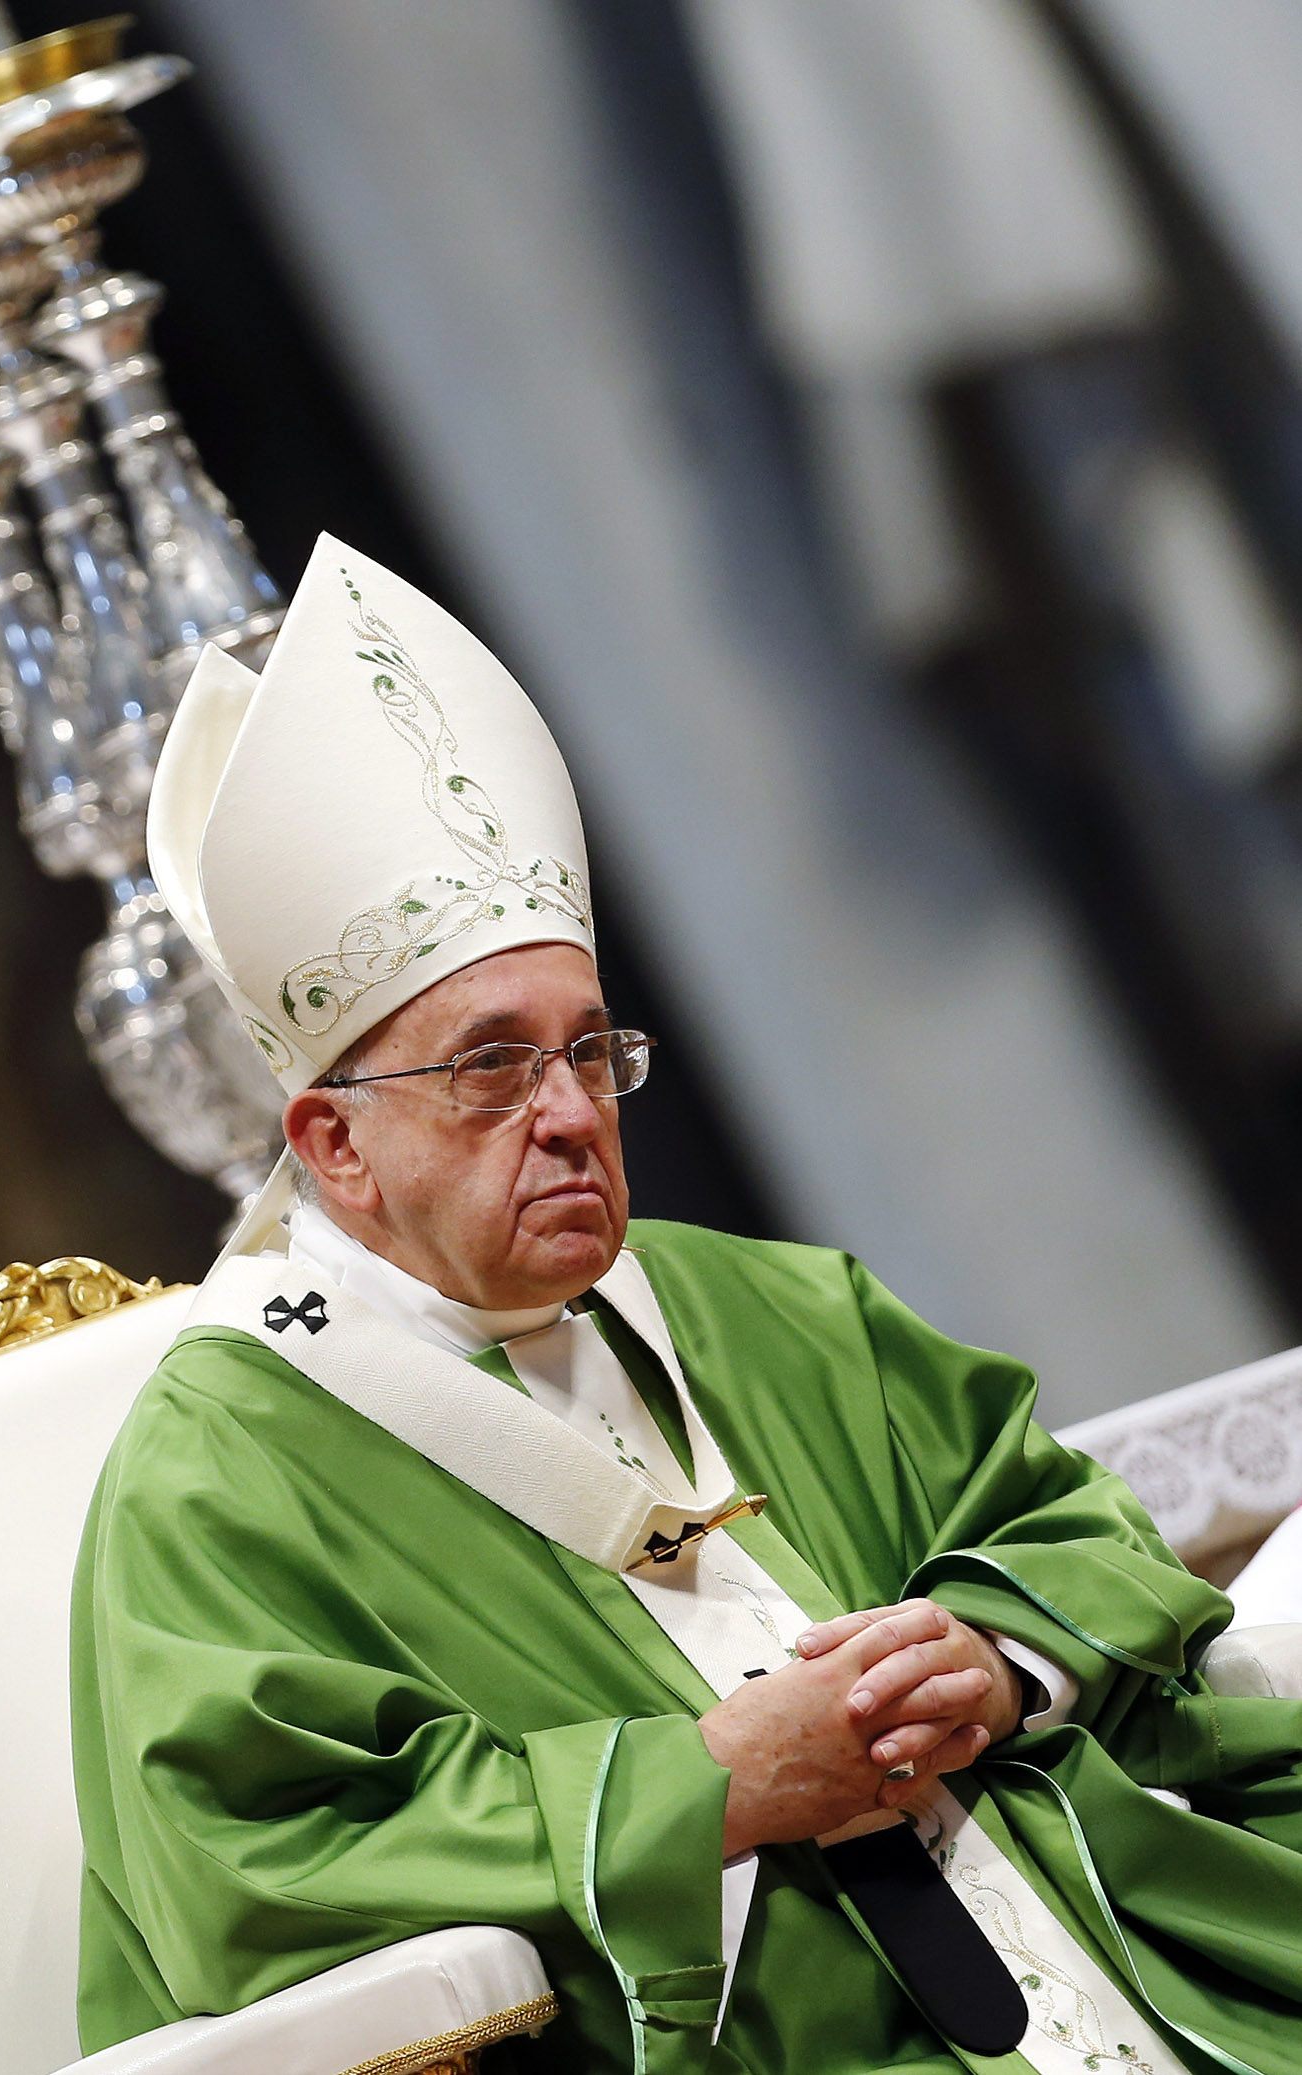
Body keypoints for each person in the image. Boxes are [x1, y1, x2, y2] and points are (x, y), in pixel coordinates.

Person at [72, 539, 1302, 2074]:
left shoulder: (770, 1307)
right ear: (334, 1144)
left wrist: (994, 1657)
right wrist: (705, 1789)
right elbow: (256, 1881)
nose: (573, 1113)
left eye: (590, 1051)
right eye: (490, 1067)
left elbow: (1064, 1523)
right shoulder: (220, 1475)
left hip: (1123, 1957)